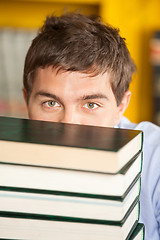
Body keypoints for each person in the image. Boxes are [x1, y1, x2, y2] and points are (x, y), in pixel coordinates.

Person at [23, 12, 160, 239]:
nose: (69, 125)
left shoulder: (155, 157)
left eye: (90, 104)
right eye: (51, 103)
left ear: (120, 106)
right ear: (27, 101)